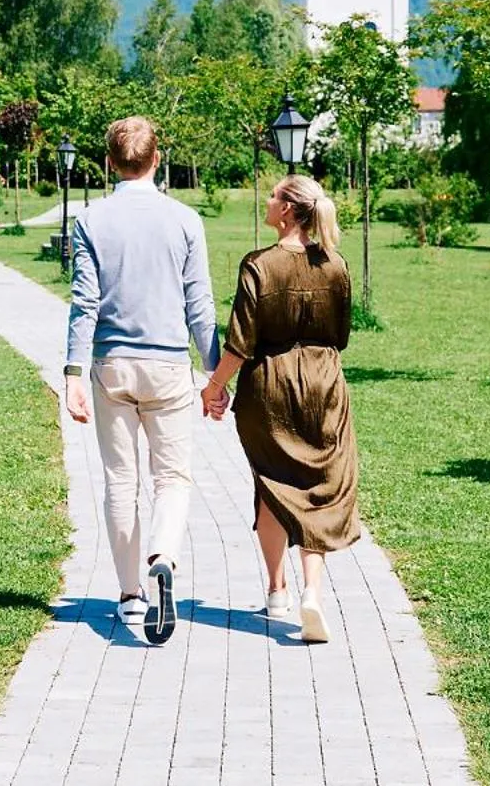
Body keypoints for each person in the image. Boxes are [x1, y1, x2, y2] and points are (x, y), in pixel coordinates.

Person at [65, 116, 218, 644]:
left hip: (111, 365)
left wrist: (71, 374)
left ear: (110, 163)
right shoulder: (184, 221)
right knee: (172, 478)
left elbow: (84, 303)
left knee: (120, 482)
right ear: (157, 160)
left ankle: (131, 596)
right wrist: (218, 374)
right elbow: (200, 305)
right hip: (169, 366)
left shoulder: (91, 221)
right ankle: (164, 556)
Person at [200, 175, 359, 643]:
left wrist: (213, 387)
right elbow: (342, 336)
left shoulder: (259, 266)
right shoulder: (336, 265)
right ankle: (312, 591)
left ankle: (275, 590)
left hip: (269, 386)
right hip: (324, 382)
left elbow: (240, 343)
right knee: (316, 488)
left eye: (273, 196)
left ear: (288, 210)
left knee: (271, 482)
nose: (267, 202)